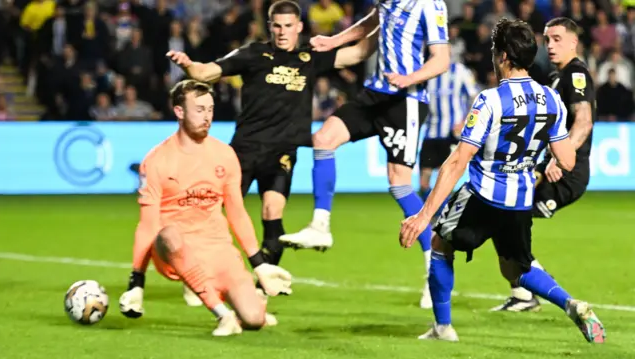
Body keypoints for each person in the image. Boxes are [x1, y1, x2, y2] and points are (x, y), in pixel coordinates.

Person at [399, 19, 605, 343]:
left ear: (505, 56)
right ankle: (571, 303)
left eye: (496, 52)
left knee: (440, 244)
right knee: (517, 269)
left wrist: (423, 215)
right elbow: (566, 159)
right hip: (521, 201)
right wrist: (543, 159)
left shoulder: (490, 100)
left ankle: (443, 328)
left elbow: (457, 161)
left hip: (483, 195)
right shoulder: (550, 99)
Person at [166, 0, 377, 292]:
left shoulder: (310, 57)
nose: (282, 32)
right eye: (277, 25)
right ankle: (197, 277)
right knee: (215, 215)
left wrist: (387, 27)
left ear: (299, 27)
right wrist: (189, 65)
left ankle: (268, 280)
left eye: (288, 26)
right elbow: (206, 73)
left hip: (283, 152)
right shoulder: (253, 53)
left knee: (272, 212)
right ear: (270, 27)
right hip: (244, 150)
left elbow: (359, 53)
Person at [279, 0, 451, 299]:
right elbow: (370, 24)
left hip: (405, 100)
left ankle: (433, 270)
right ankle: (320, 225)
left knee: (399, 184)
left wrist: (408, 79)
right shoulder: (386, 3)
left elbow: (441, 59)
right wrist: (332, 41)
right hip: (374, 94)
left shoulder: (428, 4)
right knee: (323, 139)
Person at [118, 80, 293, 337]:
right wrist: (137, 281)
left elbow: (236, 212)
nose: (207, 117)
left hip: (219, 250)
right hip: (177, 248)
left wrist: (259, 264)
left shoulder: (224, 155)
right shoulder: (156, 161)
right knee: (167, 234)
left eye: (210, 109)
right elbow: (148, 225)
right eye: (199, 109)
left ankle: (250, 310)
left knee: (254, 320)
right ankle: (222, 315)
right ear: (179, 111)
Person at [491, 17, 596, 312]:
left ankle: (536, 286)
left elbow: (583, 121)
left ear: (574, 42)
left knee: (507, 220)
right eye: (547, 39)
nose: (550, 45)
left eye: (558, 39)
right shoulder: (554, 78)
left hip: (564, 175)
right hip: (544, 170)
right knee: (504, 220)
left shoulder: (576, 74)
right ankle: (524, 292)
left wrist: (559, 161)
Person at [416, 60, 478, 309]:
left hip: (451, 134)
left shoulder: (460, 71)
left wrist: (465, 122)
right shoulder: (428, 71)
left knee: (448, 178)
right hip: (430, 133)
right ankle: (433, 214)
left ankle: (441, 218)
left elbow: (474, 96)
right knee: (423, 182)